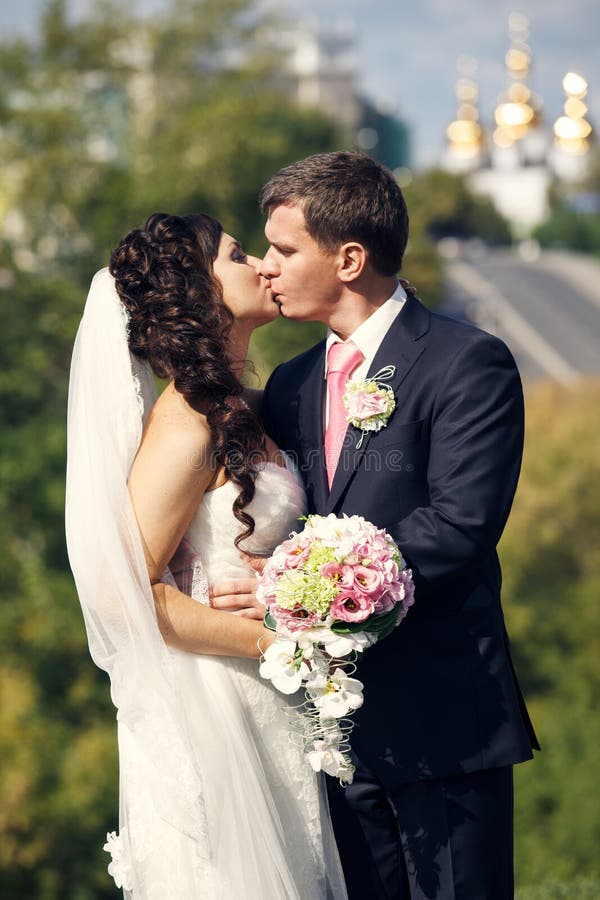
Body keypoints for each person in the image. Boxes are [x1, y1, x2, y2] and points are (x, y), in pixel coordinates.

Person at [252, 150, 539, 899]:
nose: (266, 267)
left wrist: (314, 586)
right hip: (333, 730)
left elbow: (461, 523)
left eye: (284, 250)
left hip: (445, 718)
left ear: (349, 258)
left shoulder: (466, 362)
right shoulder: (290, 384)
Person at [65, 212, 347, 899]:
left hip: (270, 698)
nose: (263, 266)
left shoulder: (246, 405)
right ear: (199, 292)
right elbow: (121, 596)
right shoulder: (187, 422)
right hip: (217, 699)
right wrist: (274, 640)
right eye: (238, 255)